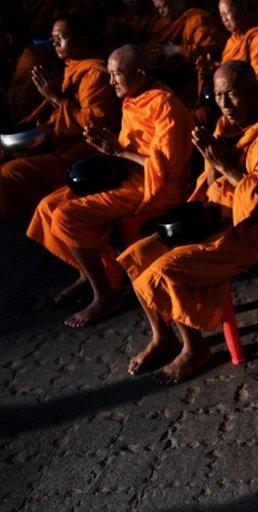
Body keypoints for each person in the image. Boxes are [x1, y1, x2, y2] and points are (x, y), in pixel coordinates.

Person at [117, 61, 258, 382]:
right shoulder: (225, 127)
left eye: (232, 94)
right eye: (218, 95)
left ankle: (194, 348)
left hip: (250, 232)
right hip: (214, 216)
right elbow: (209, 183)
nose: (224, 104)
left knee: (165, 269)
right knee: (138, 256)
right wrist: (209, 158)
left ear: (252, 91)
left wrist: (224, 164)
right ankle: (164, 337)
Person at [27, 45, 194, 328]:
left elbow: (166, 168)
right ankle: (91, 270)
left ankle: (105, 292)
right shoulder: (133, 98)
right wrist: (107, 147)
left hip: (154, 186)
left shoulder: (164, 105)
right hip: (126, 173)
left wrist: (118, 152)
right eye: (110, 75)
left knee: (67, 216)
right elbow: (129, 146)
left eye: (117, 75)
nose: (111, 82)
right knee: (47, 206)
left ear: (140, 74)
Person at [0, 17, 120, 217]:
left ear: (81, 41)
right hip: (59, 141)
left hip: (80, 153)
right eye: (52, 38)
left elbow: (93, 124)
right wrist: (30, 122)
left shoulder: (96, 74)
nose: (54, 43)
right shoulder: (72, 67)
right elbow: (57, 104)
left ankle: (26, 221)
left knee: (10, 172)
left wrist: (55, 97)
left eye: (60, 38)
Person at [207, 0, 258, 107]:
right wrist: (214, 69)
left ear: (244, 12)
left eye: (227, 13)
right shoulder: (232, 41)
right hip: (230, 98)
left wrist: (234, 86)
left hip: (255, 102)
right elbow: (230, 69)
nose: (224, 19)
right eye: (221, 15)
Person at [149, 0, 227, 101]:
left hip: (202, 78)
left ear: (177, 2)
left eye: (163, 7)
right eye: (157, 8)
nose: (161, 12)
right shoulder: (163, 23)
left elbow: (209, 50)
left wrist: (177, 50)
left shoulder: (197, 19)